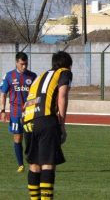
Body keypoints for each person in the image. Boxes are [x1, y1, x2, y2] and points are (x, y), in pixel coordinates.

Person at [23, 51, 73, 200]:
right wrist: (62, 124)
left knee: (34, 164)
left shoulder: (40, 75)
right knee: (48, 163)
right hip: (46, 120)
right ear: (68, 65)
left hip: (27, 120)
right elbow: (62, 95)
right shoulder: (64, 72)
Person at [0, 52, 37, 173]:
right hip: (15, 112)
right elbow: (3, 94)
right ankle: (20, 164)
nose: (24, 66)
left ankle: (32, 160)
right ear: (17, 62)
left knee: (31, 138)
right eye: (22, 64)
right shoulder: (9, 76)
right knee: (17, 137)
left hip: (30, 113)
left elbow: (37, 95)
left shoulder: (33, 76)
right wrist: (2, 110)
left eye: (26, 64)